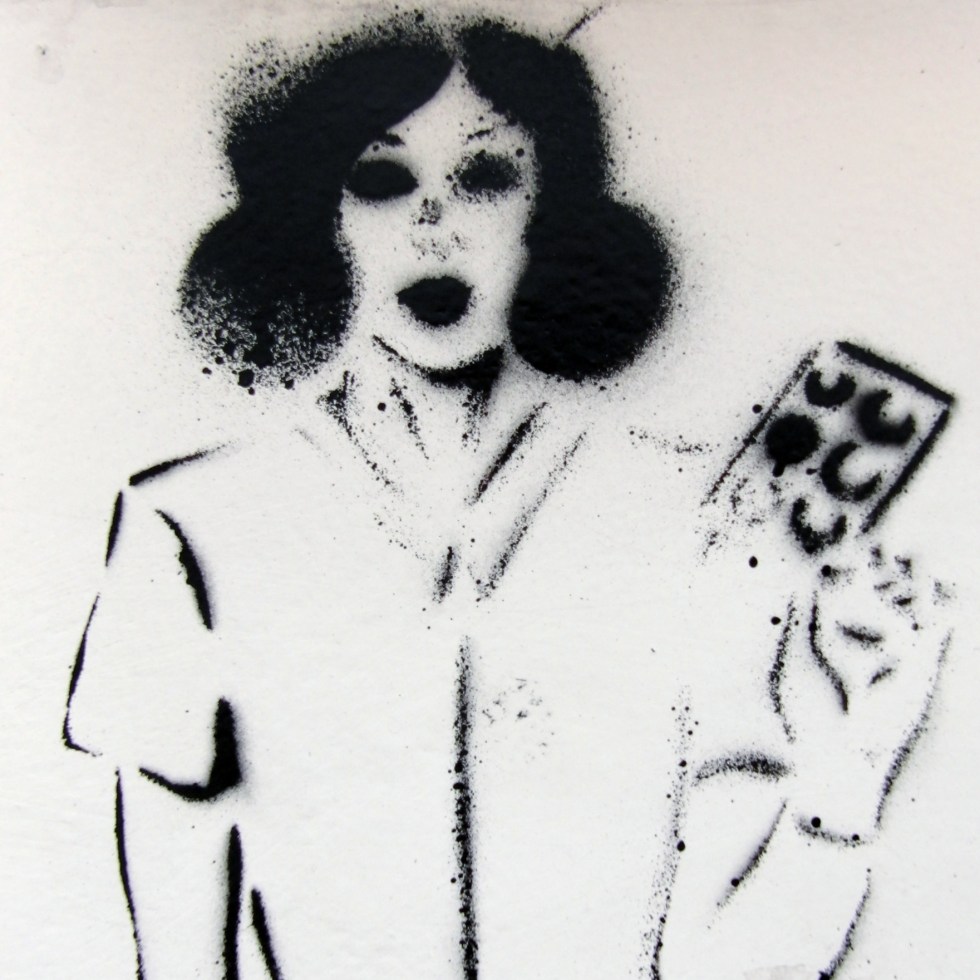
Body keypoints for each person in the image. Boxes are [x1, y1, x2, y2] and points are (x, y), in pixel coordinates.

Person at [63, 15, 949, 979]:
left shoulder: (690, 516)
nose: (434, 223)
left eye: (485, 177)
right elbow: (176, 934)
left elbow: (735, 964)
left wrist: (857, 757)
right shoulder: (193, 524)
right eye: (382, 179)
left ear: (551, 213)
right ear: (318, 218)